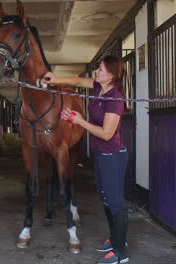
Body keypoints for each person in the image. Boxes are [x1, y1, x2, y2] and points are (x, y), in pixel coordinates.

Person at [41, 56, 129, 264]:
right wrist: (56, 80)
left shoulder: (115, 98)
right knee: (105, 199)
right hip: (101, 153)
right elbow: (79, 81)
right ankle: (116, 239)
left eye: (101, 69)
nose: (96, 72)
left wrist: (79, 121)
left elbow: (107, 134)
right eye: (98, 68)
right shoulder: (100, 87)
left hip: (113, 155)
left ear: (112, 75)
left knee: (115, 203)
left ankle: (120, 252)